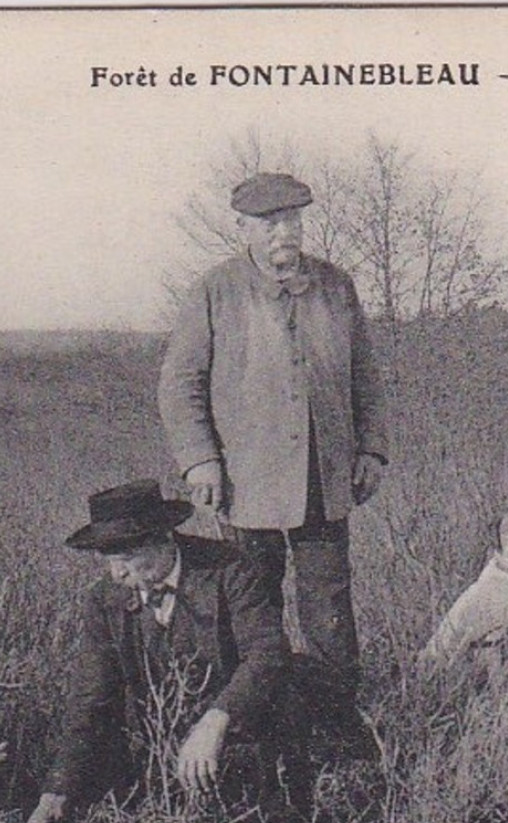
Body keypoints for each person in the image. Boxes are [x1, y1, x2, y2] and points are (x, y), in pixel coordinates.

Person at [157, 171, 387, 722]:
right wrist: (201, 459)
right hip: (247, 481)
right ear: (243, 228)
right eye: (269, 222)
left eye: (292, 220)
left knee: (329, 606)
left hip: (325, 479)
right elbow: (179, 383)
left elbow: (366, 379)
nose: (284, 232)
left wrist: (371, 450)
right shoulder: (216, 291)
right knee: (251, 602)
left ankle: (335, 722)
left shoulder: (336, 287)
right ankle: (253, 719)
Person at [24, 479, 334, 823]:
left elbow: (267, 653)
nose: (116, 574)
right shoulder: (104, 602)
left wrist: (219, 718)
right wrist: (57, 788)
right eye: (108, 561)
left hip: (242, 729)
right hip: (163, 743)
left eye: (124, 559)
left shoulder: (230, 568)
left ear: (163, 540)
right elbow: (90, 700)